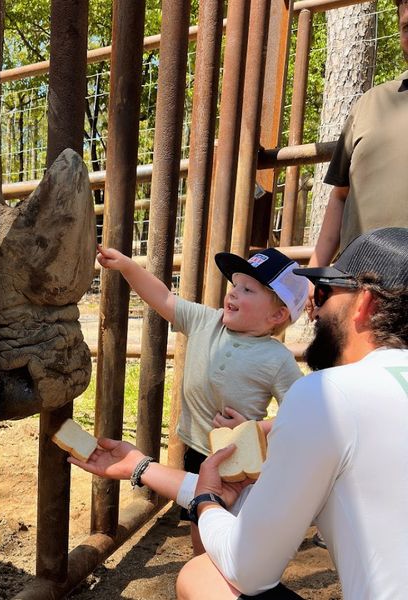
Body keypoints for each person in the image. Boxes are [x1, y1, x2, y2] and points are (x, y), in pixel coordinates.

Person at [73, 227, 408, 599]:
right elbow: (235, 494)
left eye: (325, 293)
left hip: (233, 466)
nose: (315, 309)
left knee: (204, 575)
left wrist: (207, 499)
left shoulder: (331, 397)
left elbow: (247, 568)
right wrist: (140, 467)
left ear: (363, 305)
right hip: (213, 458)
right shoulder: (211, 324)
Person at [96, 244, 308, 554]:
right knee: (201, 522)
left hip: (236, 458)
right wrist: (128, 267)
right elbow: (163, 297)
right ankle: (204, 570)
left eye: (248, 290)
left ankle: (216, 574)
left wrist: (255, 429)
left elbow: (302, 415)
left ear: (277, 314)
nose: (233, 294)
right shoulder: (206, 321)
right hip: (196, 449)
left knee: (221, 526)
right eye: (234, 285)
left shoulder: (278, 359)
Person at [309, 1, 408, 283]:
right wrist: (314, 274)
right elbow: (340, 195)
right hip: (357, 288)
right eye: (407, 27)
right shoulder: (369, 104)